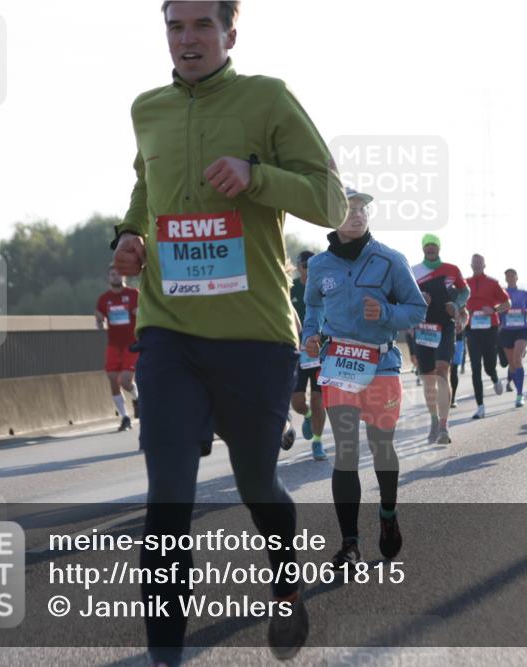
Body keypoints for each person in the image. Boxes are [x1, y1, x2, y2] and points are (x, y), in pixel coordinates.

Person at [110, 2, 348, 662]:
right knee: (167, 499)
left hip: (254, 333)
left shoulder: (267, 99)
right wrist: (129, 235)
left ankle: (284, 575)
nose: (187, 39)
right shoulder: (147, 108)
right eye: (175, 26)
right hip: (169, 331)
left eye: (201, 26)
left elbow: (331, 199)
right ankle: (165, 653)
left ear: (229, 34)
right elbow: (144, 190)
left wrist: (256, 175)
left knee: (256, 485)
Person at [302, 187, 426, 569]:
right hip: (338, 365)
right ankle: (350, 543)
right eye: (349, 208)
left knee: (381, 447)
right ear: (332, 216)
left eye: (362, 209)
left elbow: (416, 309)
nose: (357, 215)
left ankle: (387, 515)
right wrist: (310, 335)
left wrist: (387, 312)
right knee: (346, 452)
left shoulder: (390, 259)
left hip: (381, 365)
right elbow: (312, 307)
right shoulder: (321, 265)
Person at [412, 235, 469, 444]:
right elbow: (404, 296)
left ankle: (444, 426)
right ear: (422, 248)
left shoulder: (451, 269)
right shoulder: (413, 271)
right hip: (424, 327)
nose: (430, 249)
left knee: (443, 370)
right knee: (428, 379)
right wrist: (419, 301)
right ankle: (434, 420)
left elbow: (465, 291)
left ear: (439, 248)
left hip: (445, 326)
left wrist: (456, 305)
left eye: (433, 245)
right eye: (427, 245)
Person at [290, 250, 327, 460]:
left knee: (317, 398)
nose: (308, 269)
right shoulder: (290, 287)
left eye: (312, 265)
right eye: (305, 265)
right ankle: (307, 416)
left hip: (318, 350)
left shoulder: (323, 286)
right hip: (297, 352)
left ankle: (317, 442)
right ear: (298, 266)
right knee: (297, 403)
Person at [96, 266, 141, 431]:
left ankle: (137, 397)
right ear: (108, 278)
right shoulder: (104, 299)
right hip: (114, 345)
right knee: (113, 379)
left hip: (132, 344)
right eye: (112, 274)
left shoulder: (134, 294)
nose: (116, 277)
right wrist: (99, 321)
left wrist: (138, 312)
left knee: (125, 380)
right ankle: (124, 417)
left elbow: (143, 312)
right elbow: (98, 319)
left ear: (124, 276)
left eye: (119, 274)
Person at [464, 255, 510, 419]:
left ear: (484, 265)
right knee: (475, 366)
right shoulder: (464, 283)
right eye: (474, 263)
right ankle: (480, 407)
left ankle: (495, 378)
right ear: (471, 265)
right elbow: (457, 303)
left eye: (479, 263)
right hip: (472, 328)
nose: (477, 265)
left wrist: (494, 310)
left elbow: (507, 303)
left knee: (489, 366)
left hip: (490, 328)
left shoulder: (492, 283)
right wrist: (463, 312)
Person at [500, 269, 527, 408]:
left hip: (521, 329)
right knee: (512, 365)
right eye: (508, 276)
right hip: (506, 330)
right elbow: (497, 310)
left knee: (517, 359)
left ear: (517, 277)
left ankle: (519, 394)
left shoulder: (524, 294)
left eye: (513, 275)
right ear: (505, 278)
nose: (510, 278)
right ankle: (518, 389)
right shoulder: (501, 293)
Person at [450, 307, 467, 408]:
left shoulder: (459, 297)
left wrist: (462, 323)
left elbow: (465, 314)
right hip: (442, 337)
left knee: (454, 370)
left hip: (458, 339)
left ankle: (452, 398)